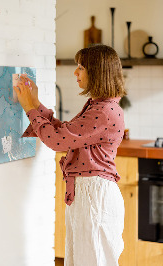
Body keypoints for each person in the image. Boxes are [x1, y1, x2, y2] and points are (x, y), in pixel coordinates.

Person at [14, 44, 126, 266]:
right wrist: (35, 104)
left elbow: (57, 141)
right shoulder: (99, 106)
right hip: (89, 195)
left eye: (81, 67)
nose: (76, 73)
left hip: (94, 197)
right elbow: (65, 133)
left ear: (97, 72)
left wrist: (29, 108)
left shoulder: (103, 111)